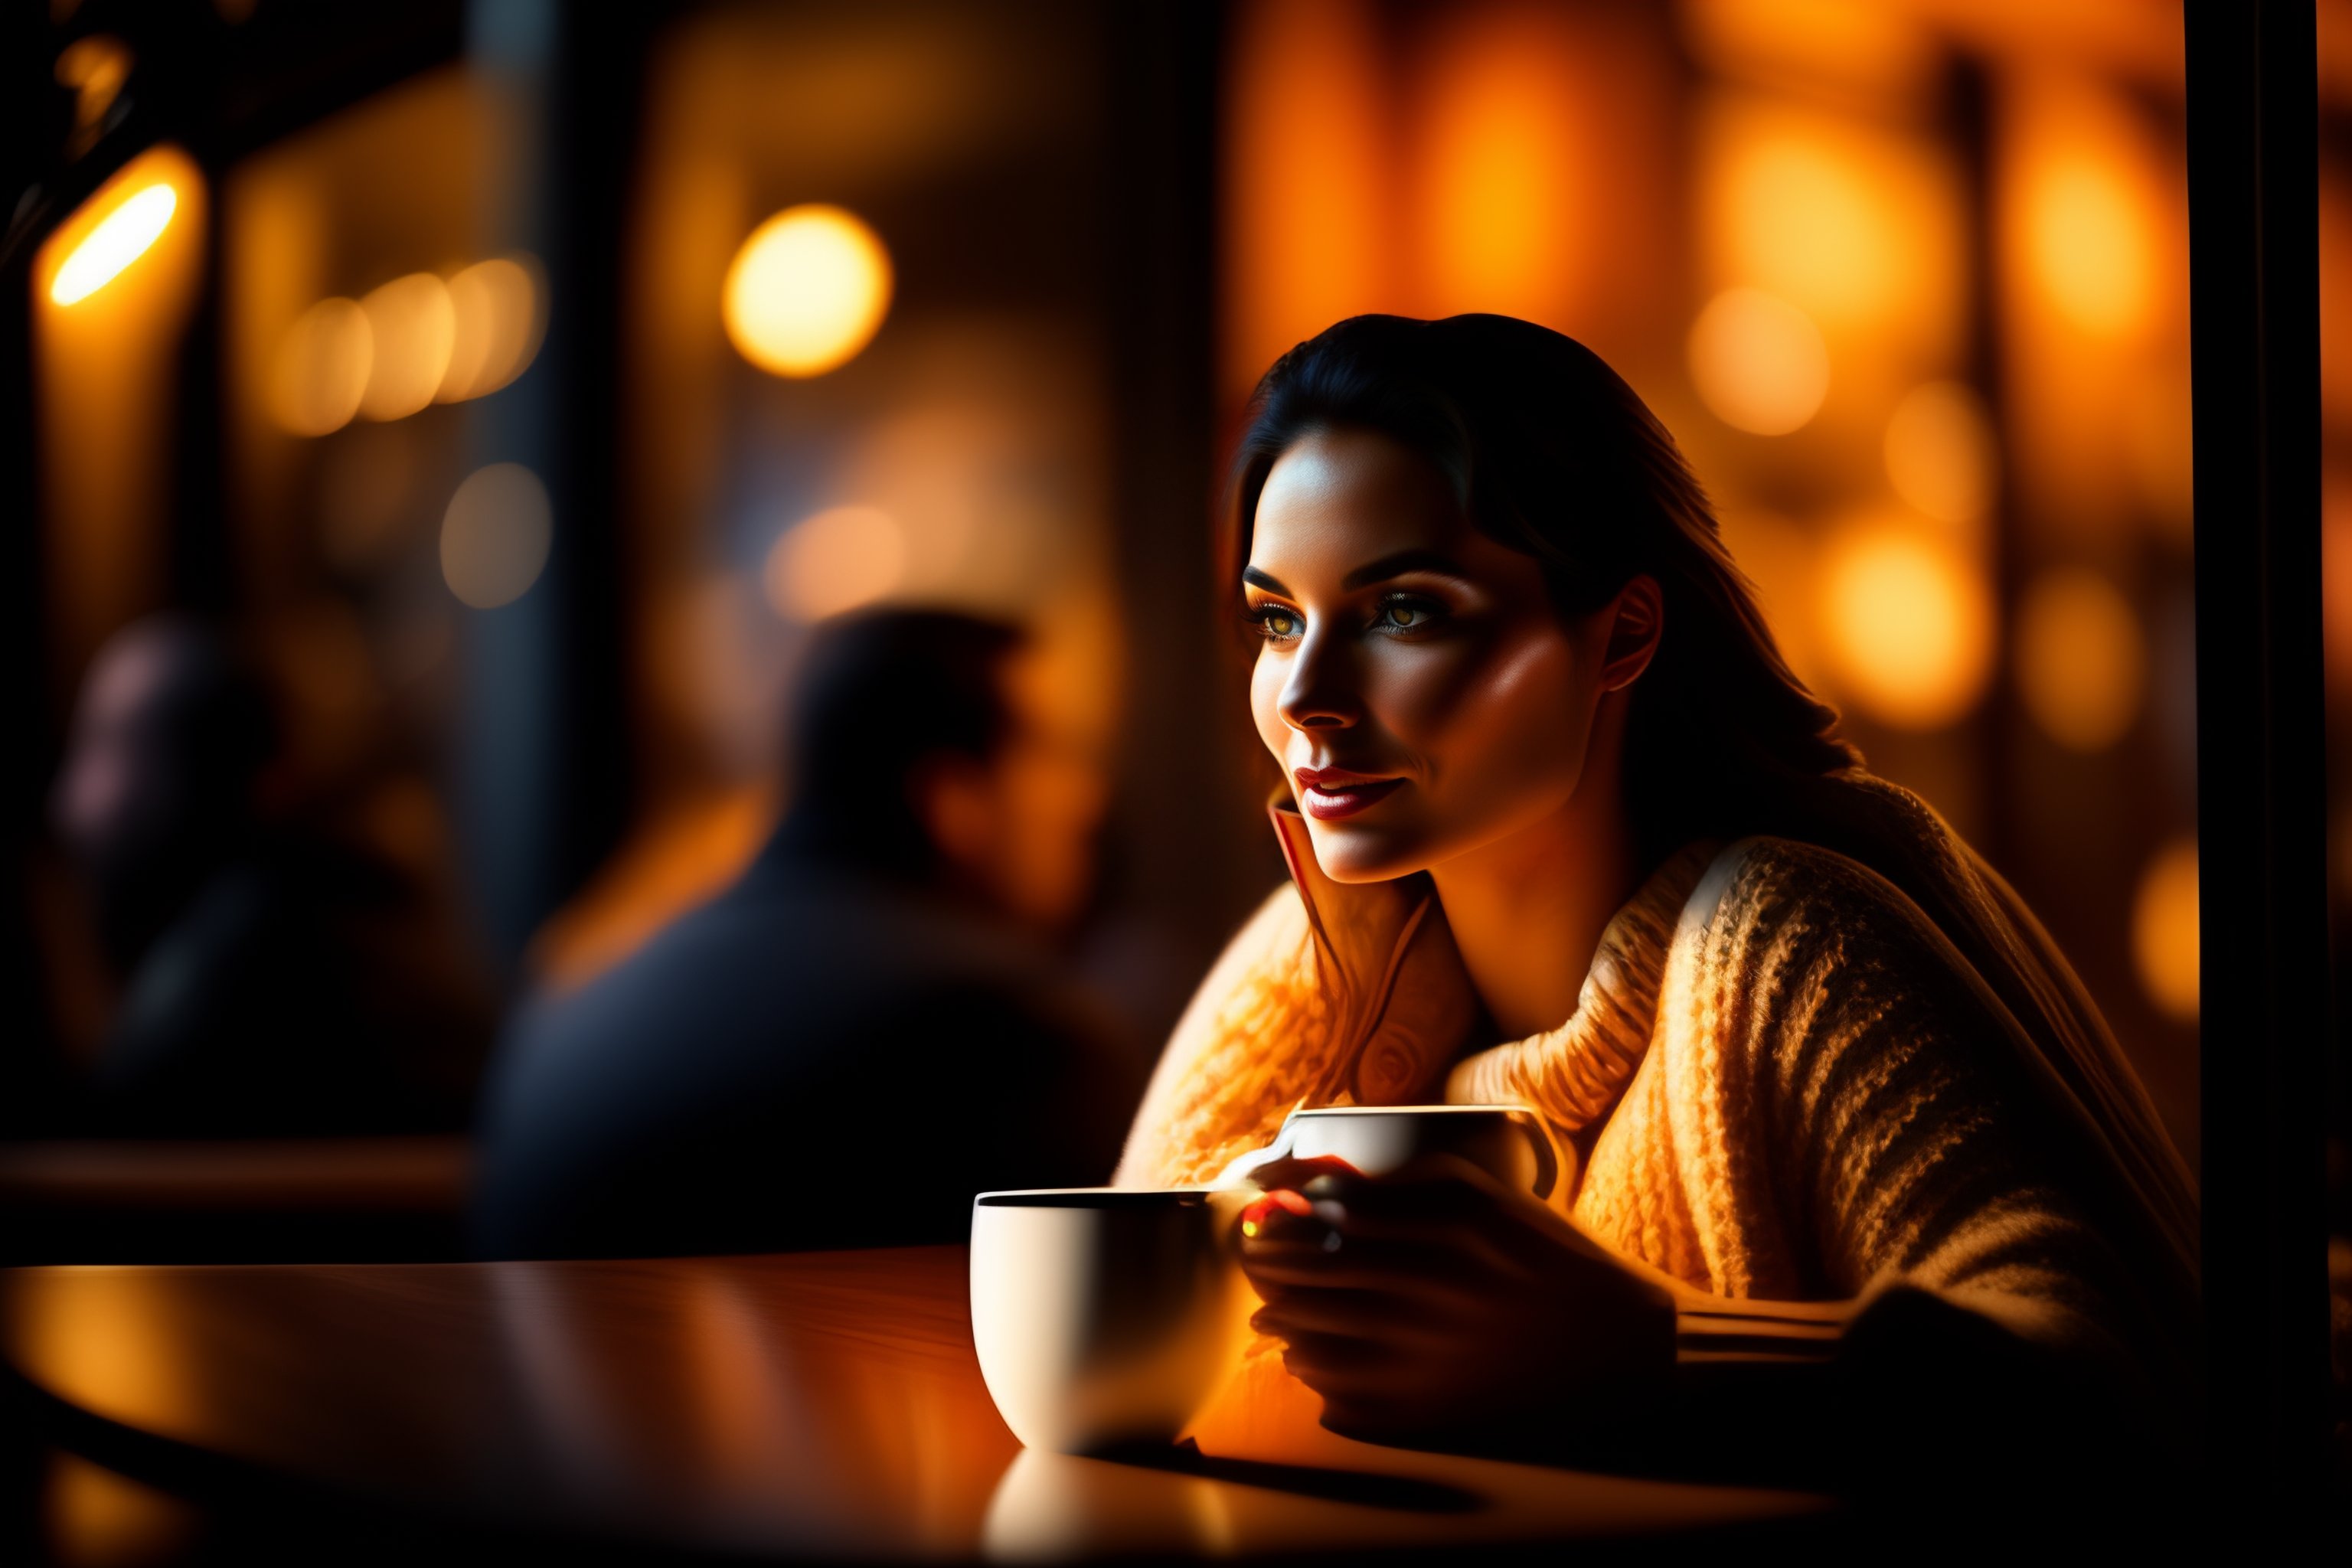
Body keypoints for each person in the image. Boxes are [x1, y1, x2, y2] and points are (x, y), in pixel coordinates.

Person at [1114, 316, 2199, 1514]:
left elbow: (2106, 1388)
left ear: (1620, 634)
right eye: (1279, 620)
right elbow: (1125, 1341)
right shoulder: (1326, 949)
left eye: (1404, 612)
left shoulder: (1780, 940)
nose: (1306, 697)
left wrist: (1654, 1350)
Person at [472, 609, 1141, 1259]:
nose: (1090, 797)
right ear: (952, 798)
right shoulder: (1011, 1034)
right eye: (1055, 752)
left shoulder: (577, 997)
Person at [50, 616, 492, 1135]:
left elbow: (110, 1128)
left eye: (108, 747)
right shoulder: (356, 913)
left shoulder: (246, 965)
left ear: (224, 769)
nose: (67, 802)